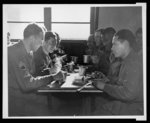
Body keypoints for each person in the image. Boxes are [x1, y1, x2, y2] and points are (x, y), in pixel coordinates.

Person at [8, 23, 64, 116]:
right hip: (14, 100)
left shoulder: (29, 53)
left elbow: (34, 76)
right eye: (41, 39)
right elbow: (27, 84)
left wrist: (52, 75)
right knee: (58, 104)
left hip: (24, 95)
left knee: (57, 102)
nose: (42, 43)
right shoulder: (14, 53)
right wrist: (53, 77)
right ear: (32, 38)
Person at [92, 29, 143, 115]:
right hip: (131, 104)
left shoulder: (133, 63)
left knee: (97, 112)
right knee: (97, 101)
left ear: (126, 44)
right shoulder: (127, 59)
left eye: (115, 44)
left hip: (134, 108)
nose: (112, 48)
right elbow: (124, 82)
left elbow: (128, 93)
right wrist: (109, 80)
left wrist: (104, 86)